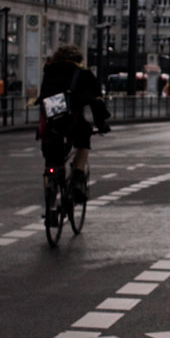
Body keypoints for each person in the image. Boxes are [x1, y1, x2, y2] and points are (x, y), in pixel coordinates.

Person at [38, 44, 111, 226]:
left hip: (50, 122)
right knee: (83, 142)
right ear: (78, 58)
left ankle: (50, 201)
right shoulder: (82, 73)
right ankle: (78, 178)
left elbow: (44, 98)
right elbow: (96, 101)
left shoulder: (49, 71)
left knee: (51, 163)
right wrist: (101, 123)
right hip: (72, 121)